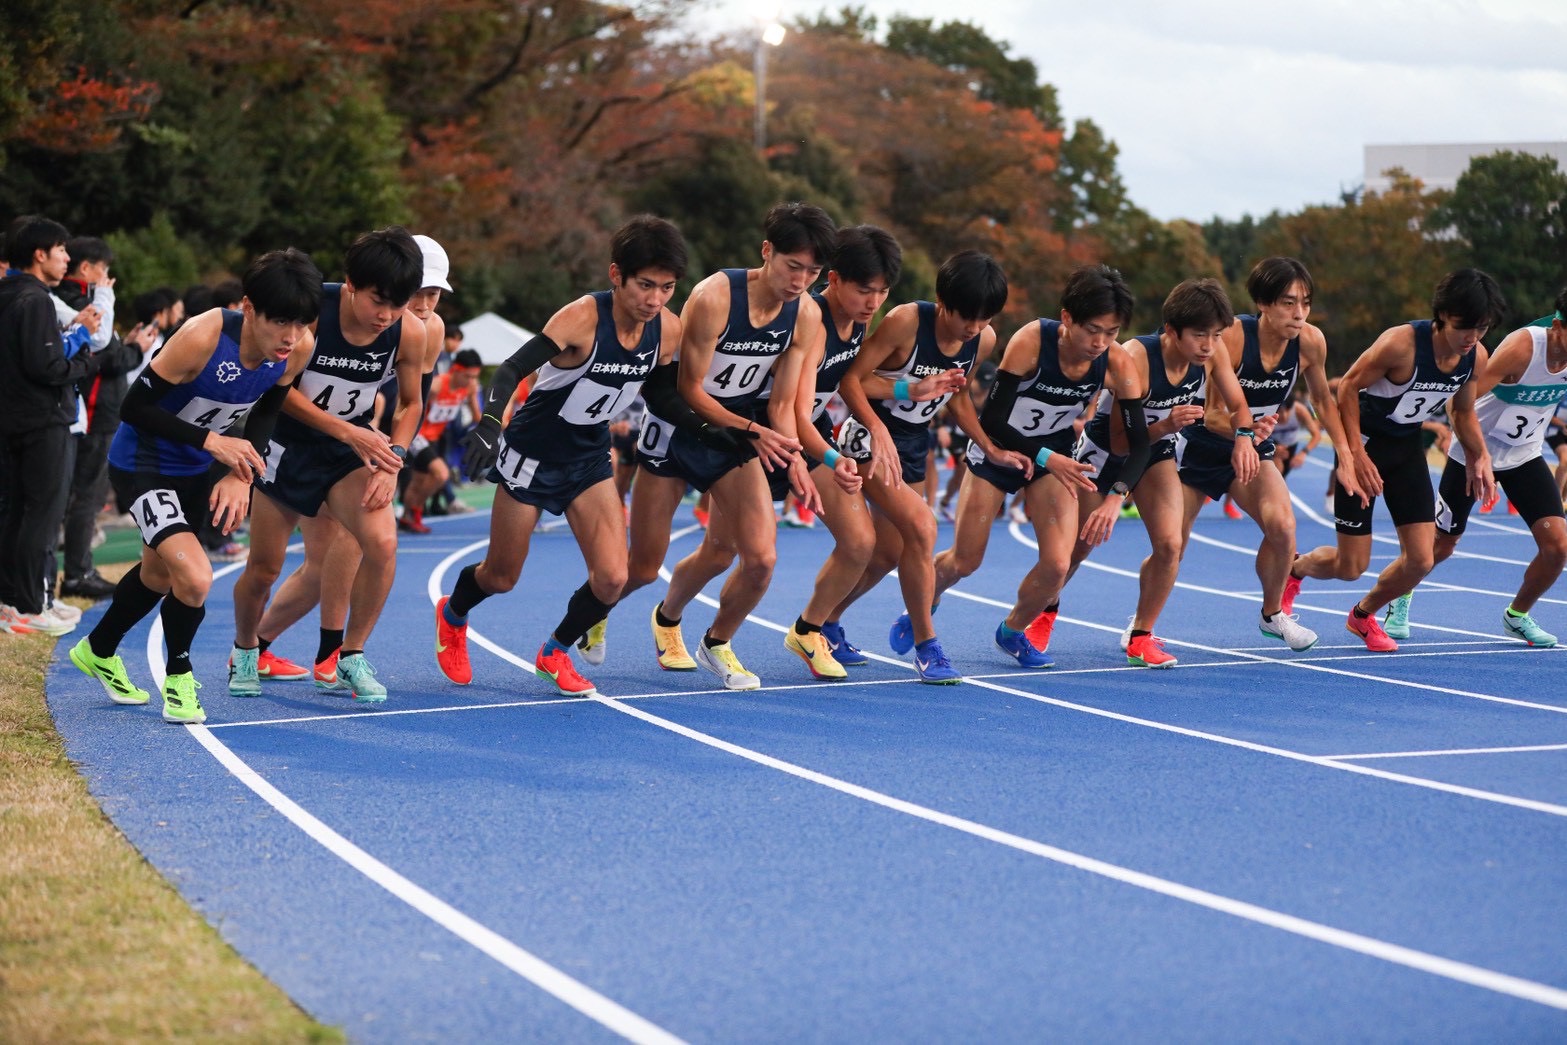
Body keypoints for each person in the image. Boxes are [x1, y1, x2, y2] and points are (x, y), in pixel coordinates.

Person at [434, 215, 687, 694]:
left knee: (614, 578)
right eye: (645, 285)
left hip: (589, 459)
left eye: (667, 287)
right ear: (617, 276)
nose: (654, 300)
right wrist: (489, 422)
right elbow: (510, 369)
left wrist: (708, 427)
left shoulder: (667, 330)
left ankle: (554, 652)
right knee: (502, 576)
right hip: (531, 456)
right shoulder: (581, 319)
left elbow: (662, 395)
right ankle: (453, 613)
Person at [68, 248, 320, 722]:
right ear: (248, 308)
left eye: (302, 324)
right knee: (197, 577)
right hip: (142, 462)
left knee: (159, 575)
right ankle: (179, 678)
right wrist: (214, 443)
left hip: (194, 467)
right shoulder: (201, 335)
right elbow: (135, 410)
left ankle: (98, 649)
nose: (290, 337)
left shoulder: (297, 347)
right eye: (280, 322)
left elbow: (268, 408)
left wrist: (238, 471)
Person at [618, 201, 834, 690]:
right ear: (767, 252)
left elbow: (782, 406)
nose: (800, 280)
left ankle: (712, 641)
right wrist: (754, 432)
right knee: (641, 566)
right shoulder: (715, 295)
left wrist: (795, 456)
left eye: (813, 272)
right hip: (679, 428)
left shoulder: (807, 315)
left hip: (734, 433)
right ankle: (596, 610)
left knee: (753, 559)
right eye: (792, 266)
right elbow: (690, 389)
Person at [230, 227, 424, 702]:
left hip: (347, 451)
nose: (387, 315)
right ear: (351, 284)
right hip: (285, 444)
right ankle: (245, 649)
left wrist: (392, 458)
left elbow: (411, 404)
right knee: (264, 568)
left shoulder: (410, 331)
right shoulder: (311, 318)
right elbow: (276, 391)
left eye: (398, 303)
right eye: (378, 300)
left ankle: (349, 655)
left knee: (381, 542)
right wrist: (344, 428)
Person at [927, 264, 1149, 669]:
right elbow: (992, 420)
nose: (1101, 342)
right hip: (1000, 451)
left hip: (1055, 459)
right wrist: (1047, 457)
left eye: (1112, 332)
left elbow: (1140, 445)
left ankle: (1012, 632)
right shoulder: (1032, 339)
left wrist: (1117, 497)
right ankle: (926, 597)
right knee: (965, 561)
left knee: (1058, 565)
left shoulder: (1117, 362)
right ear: (1067, 318)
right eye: (1093, 330)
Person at [1283, 269, 1504, 652]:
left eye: (1482, 328)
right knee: (1351, 567)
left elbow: (1464, 413)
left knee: (1420, 561)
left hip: (1405, 450)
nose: (1472, 337)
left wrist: (1480, 455)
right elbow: (1348, 386)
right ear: (1442, 314)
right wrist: (1354, 453)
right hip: (1365, 443)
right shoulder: (1401, 344)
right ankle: (1295, 567)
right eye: (1463, 327)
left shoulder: (1475, 356)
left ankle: (1363, 615)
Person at [833, 250, 1021, 683]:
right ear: (941, 300)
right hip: (869, 434)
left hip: (913, 444)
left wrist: (988, 448)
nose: (973, 327)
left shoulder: (984, 339)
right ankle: (927, 646)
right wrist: (899, 400)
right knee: (923, 528)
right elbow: (851, 380)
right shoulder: (906, 322)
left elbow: (956, 395)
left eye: (984, 318)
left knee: (886, 555)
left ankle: (823, 622)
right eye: (965, 317)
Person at [1068, 277, 1265, 667]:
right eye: (1199, 335)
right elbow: (1124, 442)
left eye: (1216, 335)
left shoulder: (1212, 353)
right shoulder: (1136, 357)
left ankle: (1141, 635)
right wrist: (1167, 424)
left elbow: (1239, 404)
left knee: (1171, 545)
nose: (1209, 345)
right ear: (1172, 331)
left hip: (1156, 452)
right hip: (1106, 451)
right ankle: (1045, 610)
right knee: (1077, 548)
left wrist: (1244, 437)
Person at [1173, 258, 1359, 653]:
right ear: (1263, 303)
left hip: (1254, 446)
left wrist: (1345, 454)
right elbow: (1211, 410)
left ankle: (1272, 614)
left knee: (1284, 527)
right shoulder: (1233, 338)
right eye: (1288, 303)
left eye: (1305, 303)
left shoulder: (1311, 342)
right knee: (1173, 544)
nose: (1299, 314)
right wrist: (1243, 430)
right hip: (1203, 443)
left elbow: (1324, 401)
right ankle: (1141, 626)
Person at [1381, 288, 1567, 647]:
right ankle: (1398, 598)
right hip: (1471, 452)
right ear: (1558, 326)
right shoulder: (1524, 348)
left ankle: (1517, 616)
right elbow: (1459, 402)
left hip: (1524, 454)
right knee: (1442, 544)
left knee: (1557, 547)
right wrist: (1476, 455)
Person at [779, 224, 901, 678]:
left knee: (861, 542)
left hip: (809, 430)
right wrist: (832, 457)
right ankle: (670, 618)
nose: (873, 302)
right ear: (832, 280)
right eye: (864, 290)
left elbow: (854, 381)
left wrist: (911, 389)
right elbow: (789, 408)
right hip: (765, 430)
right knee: (727, 550)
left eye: (882, 292)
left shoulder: (862, 321)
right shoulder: (811, 320)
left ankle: (810, 629)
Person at [0, 216, 107, 635]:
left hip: (14, 420)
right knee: (40, 515)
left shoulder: (9, 295)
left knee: (16, 513)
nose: (67, 257)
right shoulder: (35, 299)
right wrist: (83, 359)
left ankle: (14, 600)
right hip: (43, 420)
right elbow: (48, 366)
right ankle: (30, 603)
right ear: (39, 254)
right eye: (61, 250)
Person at [399, 348, 482, 534]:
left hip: (435, 438)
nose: (470, 381)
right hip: (417, 435)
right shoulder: (436, 385)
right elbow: (411, 406)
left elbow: (478, 416)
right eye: (467, 376)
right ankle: (417, 510)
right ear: (456, 370)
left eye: (474, 377)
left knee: (419, 481)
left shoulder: (470, 388)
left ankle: (406, 517)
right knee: (441, 474)